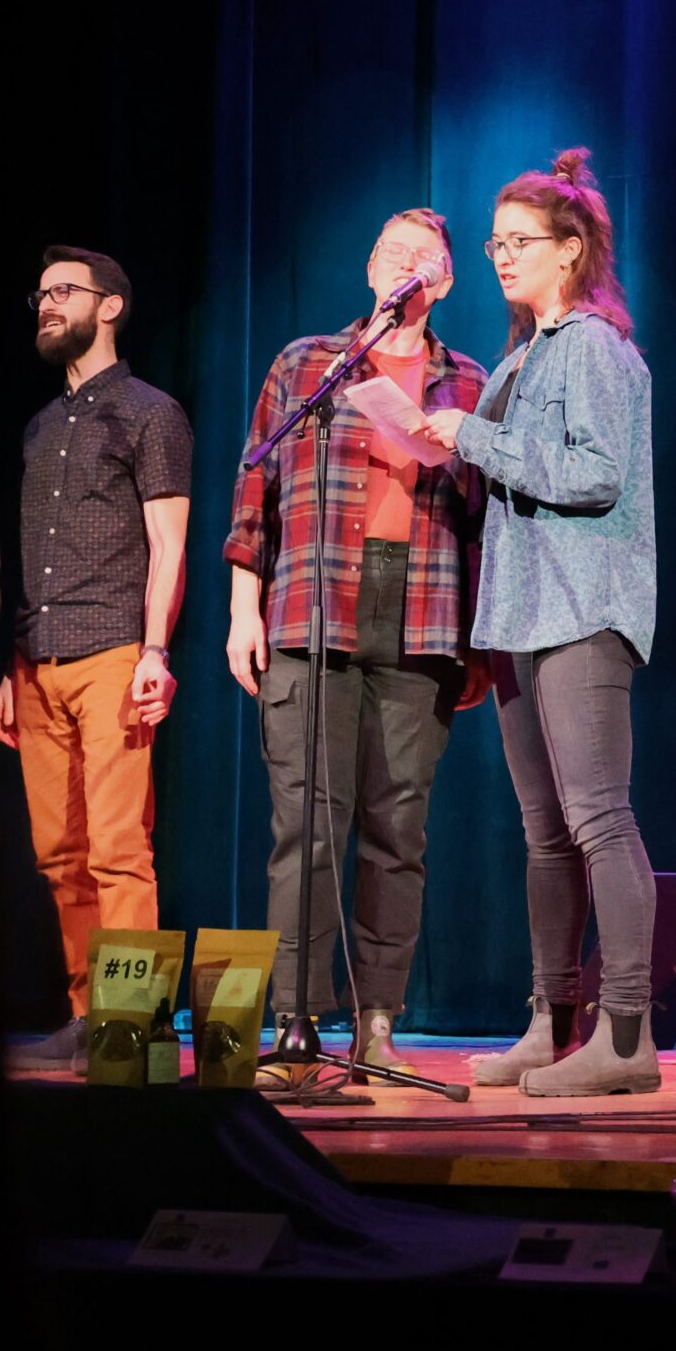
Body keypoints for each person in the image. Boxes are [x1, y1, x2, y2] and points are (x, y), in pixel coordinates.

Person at [222, 209, 491, 1074]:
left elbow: (493, 520)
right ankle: (296, 1022)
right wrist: (241, 608)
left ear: (445, 282)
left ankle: (378, 1020)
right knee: (304, 821)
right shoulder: (306, 364)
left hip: (420, 609)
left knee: (396, 826)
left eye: (424, 258)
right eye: (392, 252)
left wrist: (482, 642)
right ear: (369, 267)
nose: (406, 266)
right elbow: (251, 489)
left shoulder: (472, 381)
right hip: (310, 605)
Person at [420, 148, 659, 1097]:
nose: (502, 257)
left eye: (519, 241)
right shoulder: (521, 356)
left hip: (583, 606)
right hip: (519, 612)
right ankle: (550, 1022)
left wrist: (470, 434)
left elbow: (595, 472)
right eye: (494, 243)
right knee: (543, 832)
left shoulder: (597, 346)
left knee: (599, 817)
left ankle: (628, 1036)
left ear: (571, 252)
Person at [0, 247, 193, 1071]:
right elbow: (31, 555)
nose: (45, 305)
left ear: (108, 306)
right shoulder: (40, 427)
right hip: (38, 659)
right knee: (58, 853)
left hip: (114, 648)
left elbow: (168, 542)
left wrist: (156, 649)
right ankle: (87, 1014)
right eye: (39, 294)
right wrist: (13, 667)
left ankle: (133, 1022)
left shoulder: (151, 413)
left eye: (62, 292)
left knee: (118, 846)